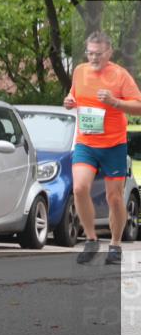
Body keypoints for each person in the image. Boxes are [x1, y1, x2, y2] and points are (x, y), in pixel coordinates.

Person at [63, 31, 141, 265]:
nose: (93, 58)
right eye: (90, 53)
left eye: (98, 53)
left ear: (109, 52)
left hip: (113, 144)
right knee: (79, 188)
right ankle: (91, 239)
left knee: (114, 198)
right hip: (86, 142)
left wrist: (115, 102)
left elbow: (138, 106)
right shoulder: (79, 71)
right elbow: (73, 95)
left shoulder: (120, 76)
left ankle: (115, 245)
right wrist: (68, 101)